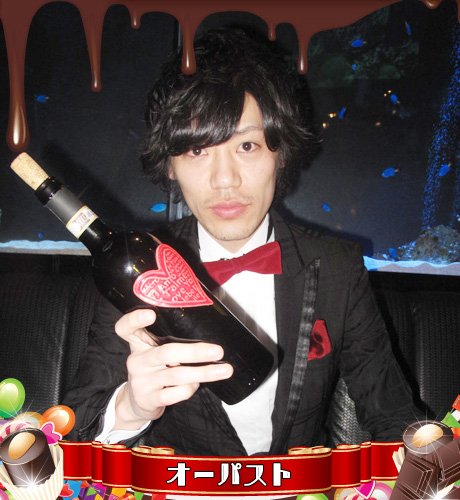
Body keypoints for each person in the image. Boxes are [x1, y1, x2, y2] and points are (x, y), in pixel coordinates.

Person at [63, 27, 417, 456]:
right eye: (197, 151)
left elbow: (395, 417)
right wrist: (131, 408)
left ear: (279, 153)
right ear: (170, 166)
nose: (225, 180)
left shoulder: (338, 269)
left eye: (247, 145)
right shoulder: (136, 270)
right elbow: (73, 432)